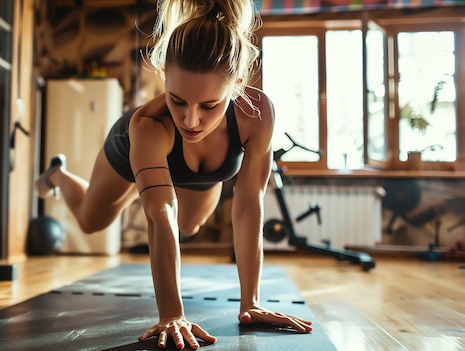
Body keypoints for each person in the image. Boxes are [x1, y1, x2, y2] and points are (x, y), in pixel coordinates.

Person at [35, 0, 313, 349]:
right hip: (131, 151)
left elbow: (248, 206)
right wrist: (171, 312)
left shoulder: (258, 115)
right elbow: (161, 213)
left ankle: (153, 180)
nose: (191, 120)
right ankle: (59, 175)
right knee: (93, 221)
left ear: (237, 84)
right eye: (177, 100)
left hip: (195, 174)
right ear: (164, 76)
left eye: (210, 105)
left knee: (191, 226)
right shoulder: (149, 124)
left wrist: (251, 302)